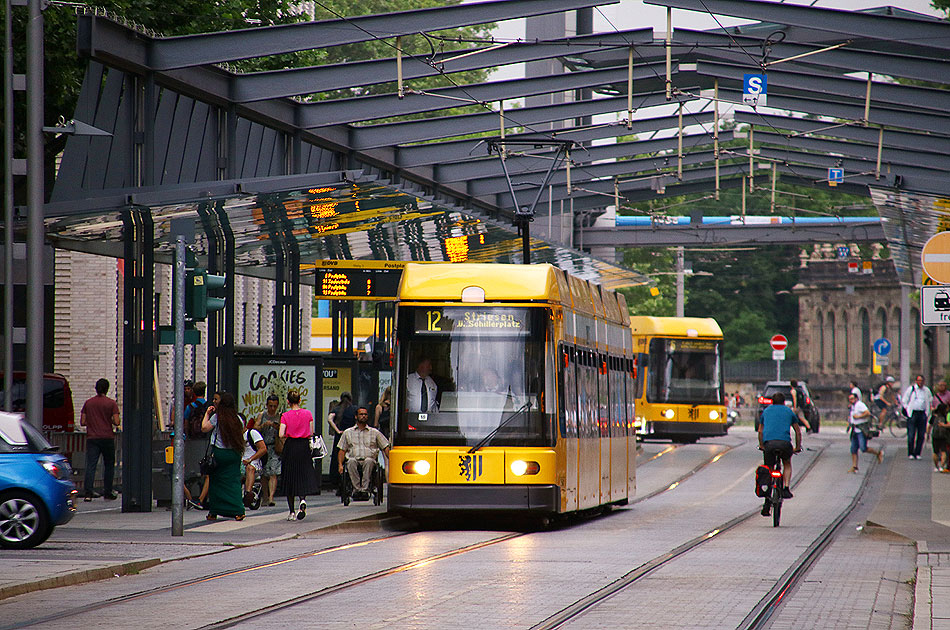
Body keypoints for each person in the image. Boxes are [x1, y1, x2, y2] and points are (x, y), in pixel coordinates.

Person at [200, 392, 246, 521]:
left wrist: (207, 414)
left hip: (220, 453)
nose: (214, 402)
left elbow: (204, 428)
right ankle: (238, 510)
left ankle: (214, 511)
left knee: (216, 482)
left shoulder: (217, 417)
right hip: (234, 454)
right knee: (233, 482)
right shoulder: (238, 419)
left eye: (216, 400)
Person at [757, 392, 803, 517]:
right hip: (784, 444)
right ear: (783, 402)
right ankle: (786, 488)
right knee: (787, 463)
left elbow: (760, 431)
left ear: (772, 401)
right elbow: (798, 432)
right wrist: (797, 447)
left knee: (769, 469)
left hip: (769, 445)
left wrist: (761, 445)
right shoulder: (789, 412)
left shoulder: (766, 412)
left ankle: (767, 500)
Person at [279, 390, 320, 521]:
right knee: (303, 474)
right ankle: (302, 500)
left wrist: (287, 437)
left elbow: (281, 434)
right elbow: (311, 432)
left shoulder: (285, 415)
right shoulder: (307, 414)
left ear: (288, 402)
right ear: (300, 400)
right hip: (303, 447)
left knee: (289, 477)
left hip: (290, 447)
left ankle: (291, 512)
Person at [80, 378, 121, 502]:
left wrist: (92, 422)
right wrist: (109, 420)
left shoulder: (88, 403)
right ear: (107, 389)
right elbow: (117, 421)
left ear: (96, 388)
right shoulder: (111, 403)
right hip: (107, 437)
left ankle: (88, 493)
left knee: (91, 465)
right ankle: (107, 491)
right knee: (109, 465)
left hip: (92, 437)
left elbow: (82, 422)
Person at [337, 406, 390, 500]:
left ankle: (364, 490)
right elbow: (342, 450)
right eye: (361, 414)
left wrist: (391, 459)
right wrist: (340, 465)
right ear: (356, 416)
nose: (363, 416)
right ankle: (357, 489)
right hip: (354, 458)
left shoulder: (375, 432)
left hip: (369, 460)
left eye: (365, 414)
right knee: (351, 462)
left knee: (368, 461)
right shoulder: (347, 432)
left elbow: (385, 446)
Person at [183, 381, 210, 509]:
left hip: (193, 441)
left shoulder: (190, 407)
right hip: (206, 441)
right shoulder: (209, 407)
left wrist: (187, 436)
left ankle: (192, 497)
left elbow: (186, 423)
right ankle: (203, 497)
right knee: (206, 471)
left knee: (193, 468)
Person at [254, 394, 283, 506]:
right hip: (263, 447)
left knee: (273, 473)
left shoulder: (280, 416)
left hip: (274, 446)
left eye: (274, 406)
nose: (272, 408)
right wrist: (263, 426)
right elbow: (255, 428)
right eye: (270, 406)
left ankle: (271, 497)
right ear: (267, 405)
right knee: (264, 474)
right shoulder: (262, 415)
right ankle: (265, 496)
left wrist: (278, 427)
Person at [847, 391, 884, 473]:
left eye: (852, 399)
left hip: (861, 429)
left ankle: (878, 453)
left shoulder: (860, 405)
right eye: (849, 399)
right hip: (855, 429)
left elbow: (867, 413)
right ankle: (854, 466)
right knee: (853, 449)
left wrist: (858, 417)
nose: (851, 400)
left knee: (863, 448)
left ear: (856, 398)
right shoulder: (852, 406)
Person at [328, 393, 356, 492]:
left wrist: (337, 430)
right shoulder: (353, 409)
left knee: (338, 458)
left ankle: (338, 482)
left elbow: (330, 419)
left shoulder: (337, 408)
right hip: (352, 437)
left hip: (340, 437)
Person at [902, 374, 933, 460]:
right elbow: (904, 400)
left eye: (922, 381)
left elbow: (930, 400)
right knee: (911, 434)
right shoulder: (911, 389)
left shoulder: (926, 390)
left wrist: (928, 412)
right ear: (916, 381)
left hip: (922, 413)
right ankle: (911, 453)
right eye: (919, 380)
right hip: (913, 414)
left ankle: (918, 453)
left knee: (921, 434)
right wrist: (908, 409)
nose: (920, 382)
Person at [242, 421, 267, 508]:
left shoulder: (252, 433)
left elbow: (263, 449)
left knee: (250, 468)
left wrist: (250, 459)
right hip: (240, 463)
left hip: (254, 462)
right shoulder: (234, 437)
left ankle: (248, 494)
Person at [930, 403, 950, 473]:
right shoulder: (945, 416)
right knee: (943, 451)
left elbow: (929, 426)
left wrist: (927, 434)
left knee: (935, 451)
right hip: (943, 436)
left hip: (935, 436)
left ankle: (936, 466)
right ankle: (942, 466)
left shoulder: (933, 417)